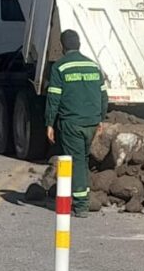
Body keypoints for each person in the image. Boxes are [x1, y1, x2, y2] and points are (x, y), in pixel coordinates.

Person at [45, 29, 108, 217]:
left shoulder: (60, 67)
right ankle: (83, 194)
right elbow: (103, 96)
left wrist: (49, 123)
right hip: (91, 122)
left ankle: (81, 205)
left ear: (63, 46)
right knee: (83, 159)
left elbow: (54, 97)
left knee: (78, 161)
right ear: (79, 44)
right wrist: (100, 119)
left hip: (72, 123)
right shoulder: (93, 66)